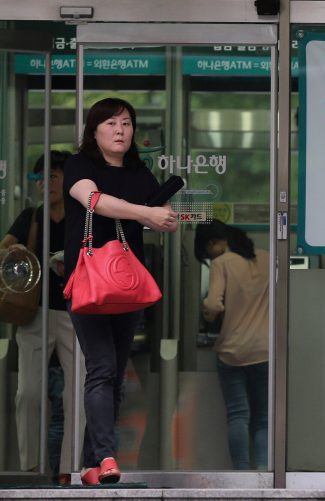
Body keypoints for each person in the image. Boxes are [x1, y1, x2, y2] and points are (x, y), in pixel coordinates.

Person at [63, 97, 178, 485]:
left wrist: (163, 219)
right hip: (91, 281)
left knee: (112, 376)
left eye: (126, 123)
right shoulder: (80, 165)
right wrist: (146, 213)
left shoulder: (140, 173)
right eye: (111, 123)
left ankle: (92, 464)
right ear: (94, 131)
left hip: (127, 283)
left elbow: (142, 218)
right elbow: (93, 201)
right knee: (102, 368)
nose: (120, 130)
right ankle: (108, 457)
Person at [0, 150, 85, 485]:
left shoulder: (82, 217)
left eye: (52, 177)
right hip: (34, 313)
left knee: (77, 393)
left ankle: (68, 469)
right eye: (40, 178)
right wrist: (15, 253)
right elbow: (5, 247)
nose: (45, 184)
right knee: (29, 393)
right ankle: (31, 469)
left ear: (67, 181)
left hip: (76, 313)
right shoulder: (31, 216)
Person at [194, 219, 269, 470]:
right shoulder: (267, 257)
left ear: (215, 242)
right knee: (262, 420)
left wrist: (207, 314)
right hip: (266, 350)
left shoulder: (222, 263)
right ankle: (262, 473)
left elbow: (214, 304)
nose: (209, 256)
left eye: (207, 251)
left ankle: (242, 475)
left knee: (238, 415)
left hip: (232, 351)